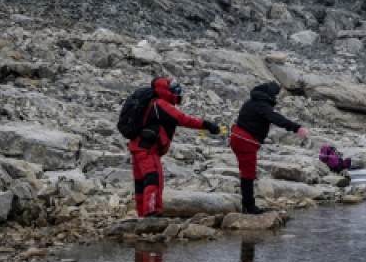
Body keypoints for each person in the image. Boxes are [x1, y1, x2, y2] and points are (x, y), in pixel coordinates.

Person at [128, 77, 221, 218]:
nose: (177, 92)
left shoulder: (150, 102)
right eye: (173, 89)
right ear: (165, 90)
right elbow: (182, 119)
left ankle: (142, 214)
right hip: (148, 149)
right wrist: (206, 125)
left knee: (141, 183)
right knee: (153, 179)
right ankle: (152, 212)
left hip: (137, 147)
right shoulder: (160, 104)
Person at [229, 81, 306, 214]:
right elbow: (274, 117)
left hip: (240, 138)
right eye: (275, 95)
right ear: (269, 93)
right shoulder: (262, 105)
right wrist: (295, 127)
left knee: (247, 171)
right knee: (248, 173)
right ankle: (249, 206)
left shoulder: (252, 101)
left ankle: (247, 204)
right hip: (245, 140)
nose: (275, 98)